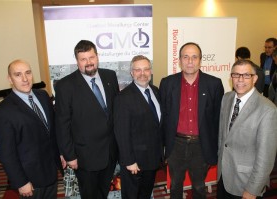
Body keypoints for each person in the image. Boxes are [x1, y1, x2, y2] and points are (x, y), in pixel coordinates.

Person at [0, 59, 64, 199]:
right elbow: (6, 154)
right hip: (29, 179)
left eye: (28, 73)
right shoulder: (2, 112)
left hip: (50, 171)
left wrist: (59, 153)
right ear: (10, 79)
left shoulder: (42, 96)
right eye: (18, 75)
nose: (25, 79)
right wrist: (21, 182)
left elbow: (51, 131)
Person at [54, 40, 119, 199]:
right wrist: (70, 156)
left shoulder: (110, 76)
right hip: (84, 156)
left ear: (97, 57)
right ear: (77, 61)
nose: (88, 63)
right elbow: (62, 124)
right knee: (89, 194)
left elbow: (115, 112)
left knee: (103, 191)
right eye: (83, 59)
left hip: (110, 152)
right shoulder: (65, 86)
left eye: (91, 57)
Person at [159, 42, 224, 199]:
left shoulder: (214, 84)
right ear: (179, 60)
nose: (190, 61)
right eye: (186, 57)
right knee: (175, 185)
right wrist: (163, 147)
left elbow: (218, 119)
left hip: (201, 145)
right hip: (176, 144)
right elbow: (163, 117)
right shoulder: (167, 83)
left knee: (199, 186)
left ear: (200, 60)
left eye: (194, 57)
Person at [217, 60, 277, 199]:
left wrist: (252, 190)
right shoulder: (226, 98)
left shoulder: (267, 110)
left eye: (246, 75)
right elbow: (223, 137)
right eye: (236, 75)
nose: (240, 79)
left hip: (246, 183)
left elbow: (266, 158)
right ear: (231, 77)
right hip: (223, 177)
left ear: (255, 78)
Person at [114, 55, 163, 199]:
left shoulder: (155, 91)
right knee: (132, 196)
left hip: (152, 159)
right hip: (134, 162)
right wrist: (129, 161)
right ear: (131, 73)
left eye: (146, 69)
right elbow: (121, 133)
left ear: (151, 71)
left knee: (145, 194)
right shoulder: (123, 98)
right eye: (138, 70)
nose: (143, 73)